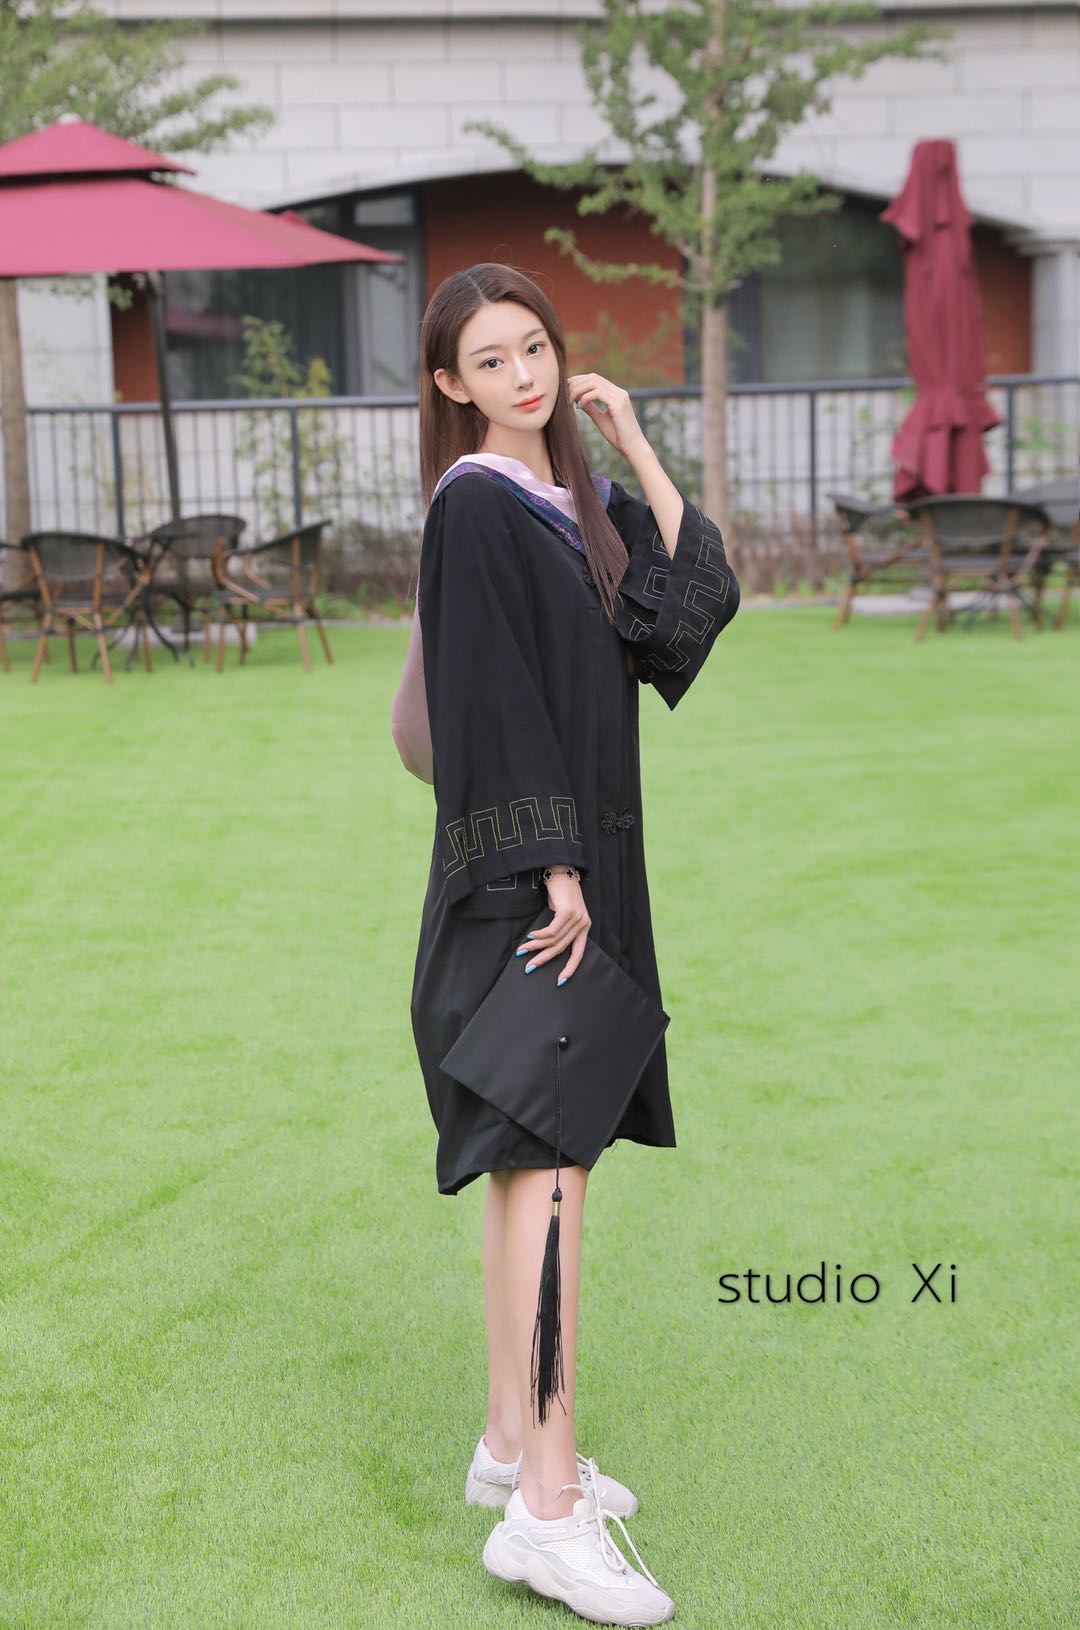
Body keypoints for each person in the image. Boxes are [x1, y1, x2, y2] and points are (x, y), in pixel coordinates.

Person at [397, 262, 740, 1625]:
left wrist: (633, 442)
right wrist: (552, 868)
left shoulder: (568, 497)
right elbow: (487, 696)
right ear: (451, 383)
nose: (523, 375)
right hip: (532, 887)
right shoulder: (477, 504)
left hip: (578, 869)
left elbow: (687, 612)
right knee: (548, 1182)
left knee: (536, 1168)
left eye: (534, 346)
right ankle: (543, 1514)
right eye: (491, 360)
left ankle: (509, 1442)